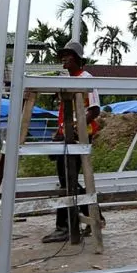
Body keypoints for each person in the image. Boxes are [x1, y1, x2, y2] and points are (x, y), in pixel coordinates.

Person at [43, 40, 102, 244]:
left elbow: (94, 110)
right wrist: (59, 130)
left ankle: (64, 227)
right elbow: (65, 113)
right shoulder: (67, 80)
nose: (64, 59)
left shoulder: (86, 79)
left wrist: (74, 129)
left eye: (68, 55)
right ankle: (94, 216)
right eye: (63, 56)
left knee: (67, 181)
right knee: (68, 180)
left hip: (79, 136)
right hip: (66, 135)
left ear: (77, 58)